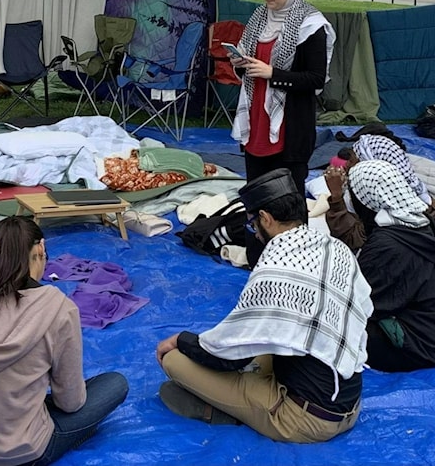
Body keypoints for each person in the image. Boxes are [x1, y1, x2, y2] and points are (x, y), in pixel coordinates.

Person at [156, 169, 373, 443]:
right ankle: (250, 398)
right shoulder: (335, 247)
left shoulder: (275, 264)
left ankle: (231, 413)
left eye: (252, 224)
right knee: (262, 352)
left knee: (174, 361)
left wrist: (180, 341)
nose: (253, 232)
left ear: (265, 219)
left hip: (306, 420)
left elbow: (226, 356)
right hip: (349, 404)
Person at [0, 216, 128, 466]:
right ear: (40, 248)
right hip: (22, 451)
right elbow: (70, 402)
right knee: (115, 384)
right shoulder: (58, 308)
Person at [230, 0, 334, 196]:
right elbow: (250, 65)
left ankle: (293, 235)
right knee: (257, 194)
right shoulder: (259, 18)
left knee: (288, 198)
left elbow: (316, 79)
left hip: (290, 125)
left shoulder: (311, 25)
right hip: (257, 120)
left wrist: (273, 74)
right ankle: (259, 233)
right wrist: (240, 63)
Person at [345, 160, 435, 372]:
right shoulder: (421, 221)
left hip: (413, 347)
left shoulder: (387, 245)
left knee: (329, 327)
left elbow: (362, 303)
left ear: (367, 199)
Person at [323, 133, 435, 286]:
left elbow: (352, 239)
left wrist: (337, 198)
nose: (348, 165)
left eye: (355, 160)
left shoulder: (387, 234)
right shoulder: (408, 205)